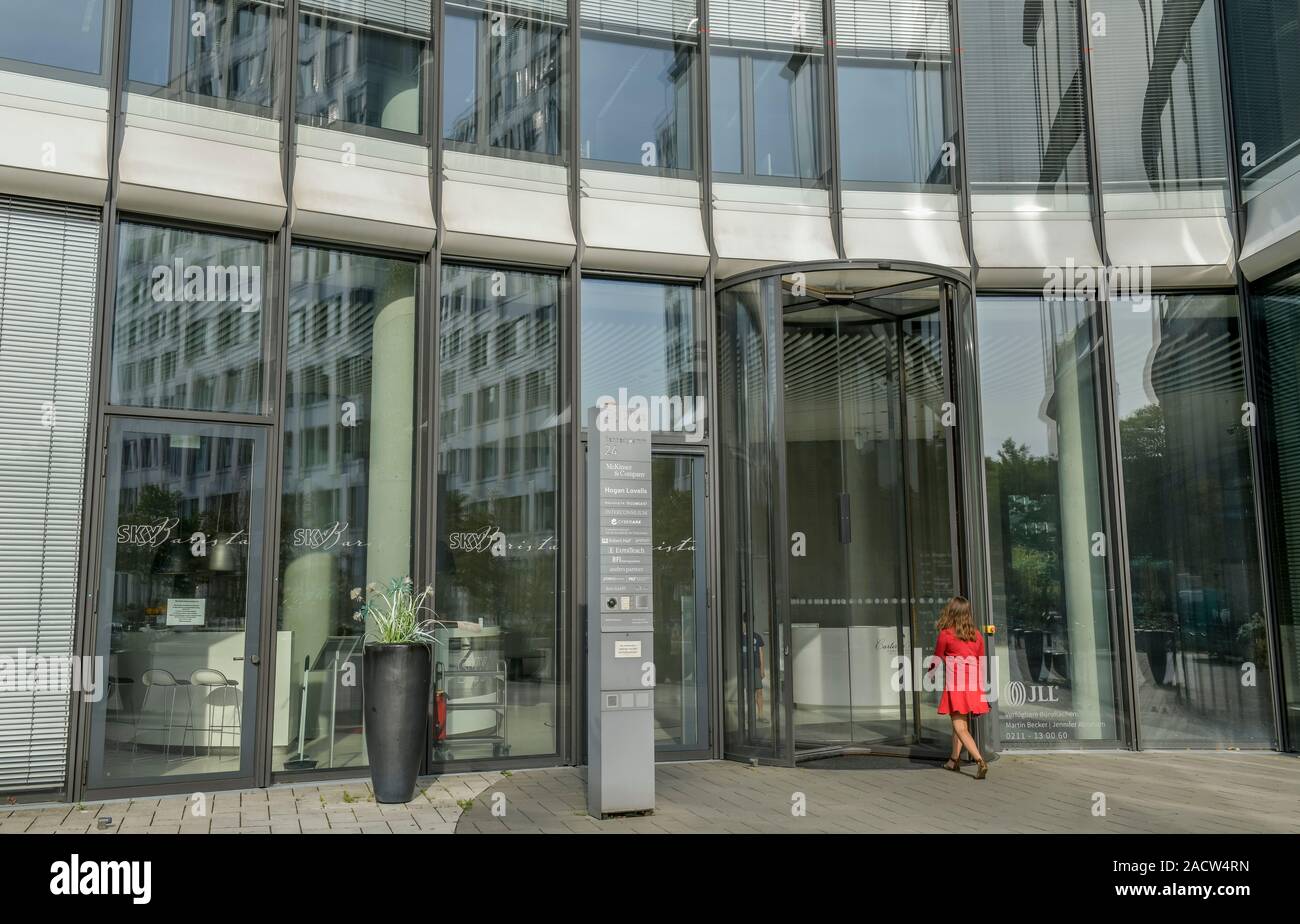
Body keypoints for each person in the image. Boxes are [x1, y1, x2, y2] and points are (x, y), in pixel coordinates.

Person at [934, 595, 990, 779]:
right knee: (959, 725)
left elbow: (937, 658)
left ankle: (980, 760)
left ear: (951, 612)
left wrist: (929, 671)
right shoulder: (977, 635)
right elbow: (981, 661)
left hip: (957, 685)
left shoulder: (946, 634)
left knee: (960, 727)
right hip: (974, 685)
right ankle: (953, 761)